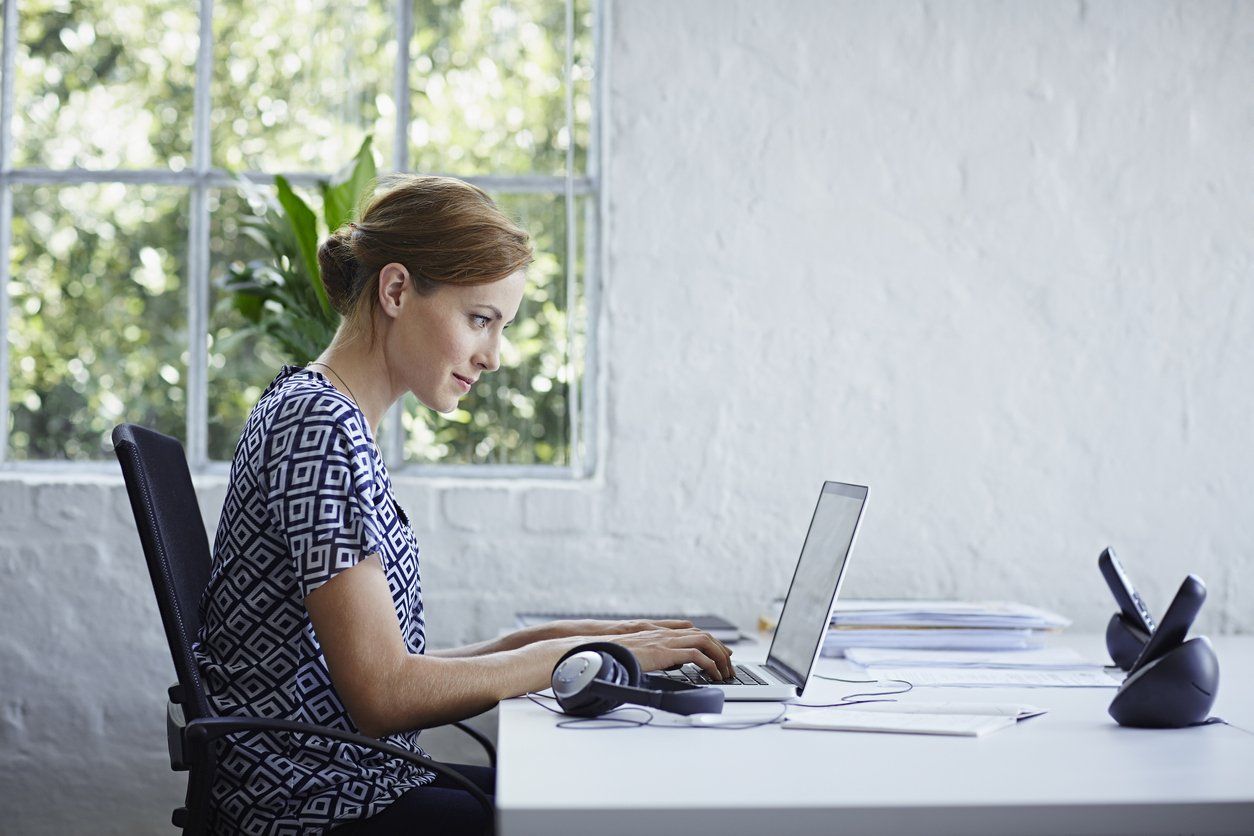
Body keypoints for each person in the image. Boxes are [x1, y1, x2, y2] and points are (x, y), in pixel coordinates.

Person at [193, 174, 734, 835]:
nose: (495, 356)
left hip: (359, 782)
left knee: (598, 797)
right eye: (481, 319)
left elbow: (394, 669)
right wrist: (585, 654)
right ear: (396, 290)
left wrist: (614, 641)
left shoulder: (322, 413)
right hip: (320, 809)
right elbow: (383, 694)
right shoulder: (319, 427)